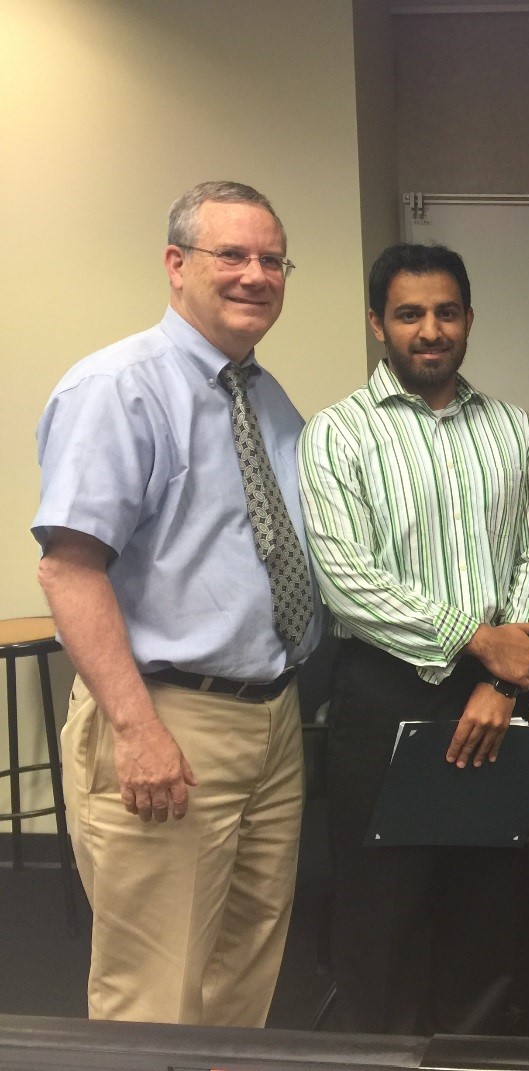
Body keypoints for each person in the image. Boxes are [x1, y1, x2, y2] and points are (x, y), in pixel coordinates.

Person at [33, 181, 319, 1025]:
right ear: (176, 264)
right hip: (168, 719)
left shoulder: (266, 399)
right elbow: (69, 570)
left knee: (243, 978)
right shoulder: (118, 388)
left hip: (271, 718)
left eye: (272, 259)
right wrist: (135, 727)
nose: (256, 275)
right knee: (152, 992)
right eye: (231, 254)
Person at [298, 242, 529, 1034]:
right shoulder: (338, 434)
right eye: (409, 313)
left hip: (492, 696)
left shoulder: (513, 427)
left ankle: (472, 1051)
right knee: (382, 903)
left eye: (446, 311)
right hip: (381, 693)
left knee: (481, 895)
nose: (430, 328)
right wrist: (480, 642)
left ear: (469, 319)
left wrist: (503, 680)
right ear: (379, 323)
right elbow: (347, 577)